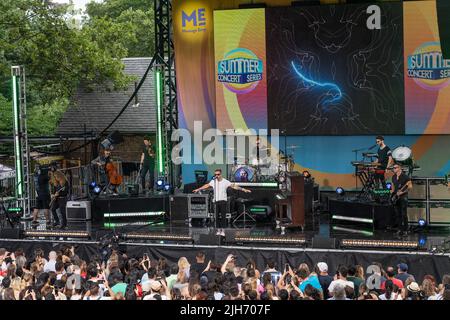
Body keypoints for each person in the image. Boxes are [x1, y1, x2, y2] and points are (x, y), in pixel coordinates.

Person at [193, 169, 251, 236]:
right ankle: (218, 230)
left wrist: (243, 189)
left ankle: (223, 231)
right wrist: (198, 189)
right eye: (215, 174)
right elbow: (207, 185)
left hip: (223, 201)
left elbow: (234, 186)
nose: (216, 176)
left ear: (221, 174)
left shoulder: (225, 181)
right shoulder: (213, 181)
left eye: (218, 174)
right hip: (216, 201)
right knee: (216, 217)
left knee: (223, 217)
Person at [391, 164, 412, 235]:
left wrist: (402, 192)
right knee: (398, 214)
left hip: (403, 197)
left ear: (399, 168)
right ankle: (400, 229)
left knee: (404, 214)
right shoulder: (393, 177)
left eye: (395, 168)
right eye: (393, 168)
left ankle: (406, 230)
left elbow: (410, 187)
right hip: (396, 197)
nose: (393, 169)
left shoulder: (405, 177)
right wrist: (392, 195)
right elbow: (393, 187)